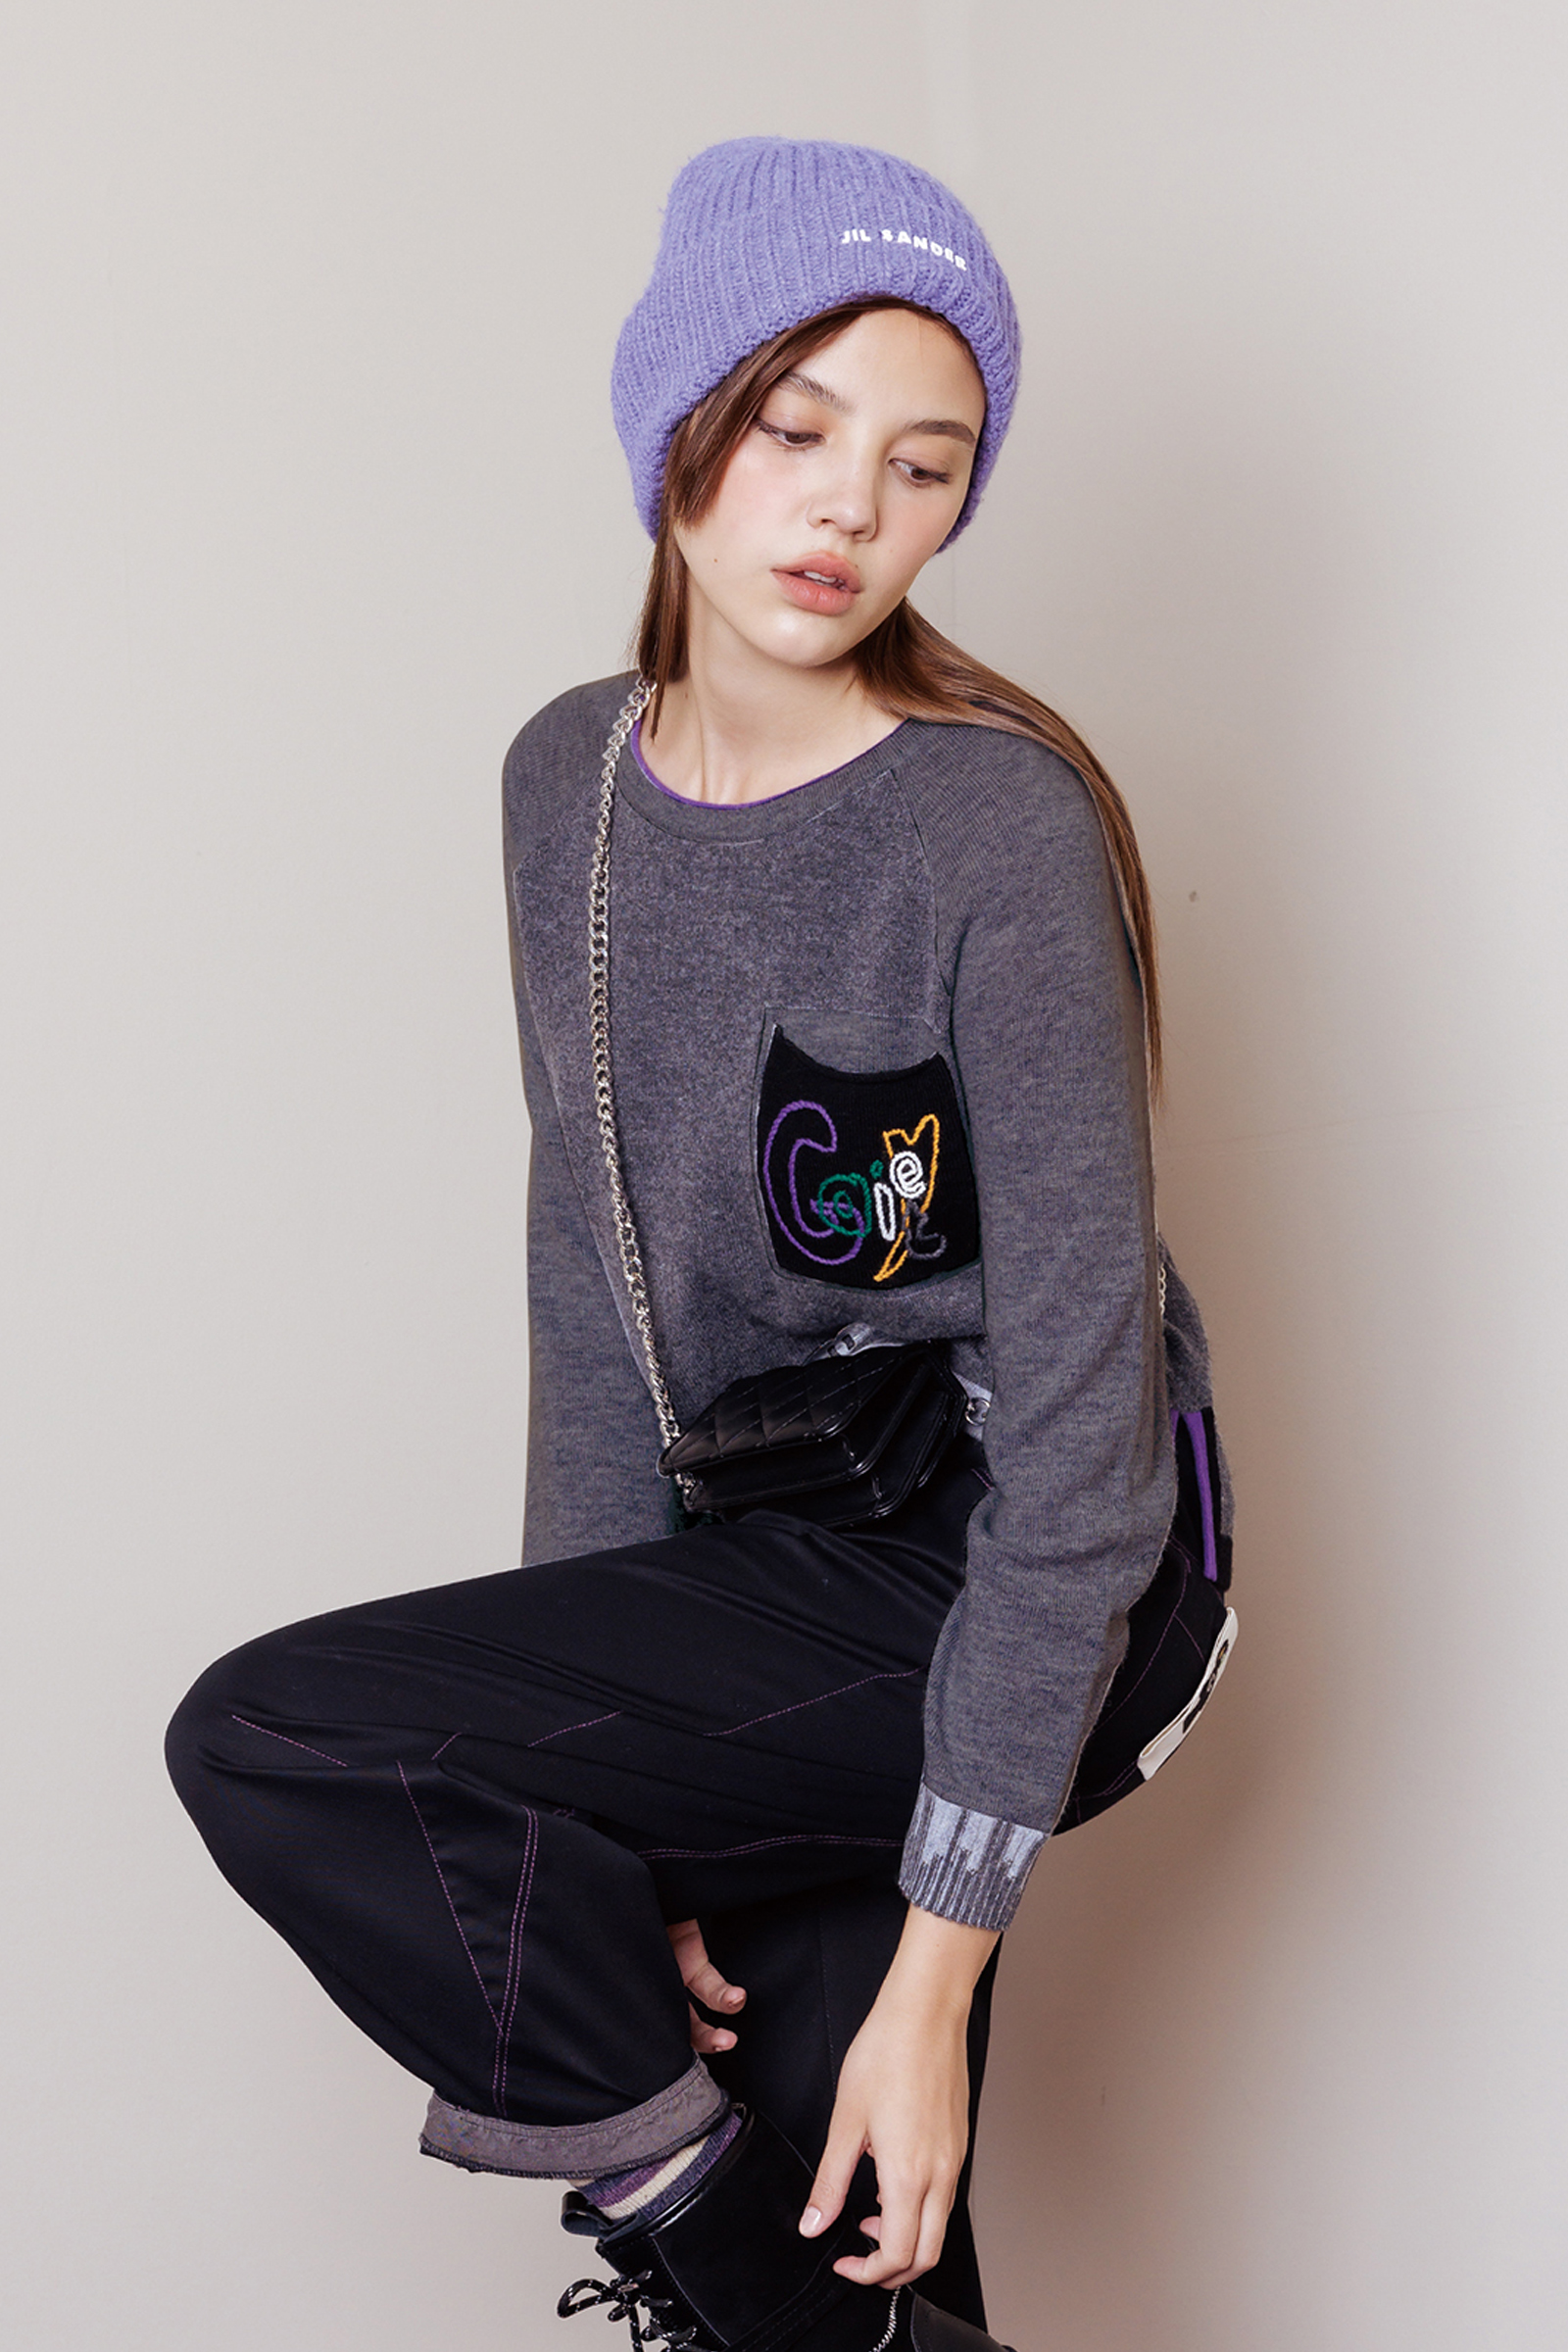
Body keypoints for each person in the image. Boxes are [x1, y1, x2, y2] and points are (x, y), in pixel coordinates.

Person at [167, 138, 1231, 2352]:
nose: (850, 511)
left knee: (284, 1736)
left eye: (924, 466)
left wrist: (937, 1977)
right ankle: (733, 2236)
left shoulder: (990, 824)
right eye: (793, 428)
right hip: (772, 1552)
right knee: (847, 2242)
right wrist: (590, 1802)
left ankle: (682, 2206)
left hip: (1045, 1562)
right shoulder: (564, 784)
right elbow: (596, 1291)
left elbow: (1084, 1451)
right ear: (675, 420)